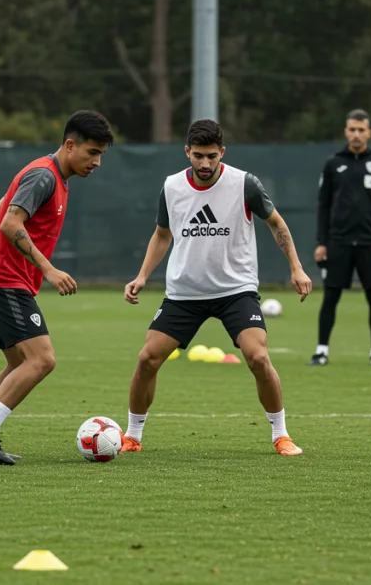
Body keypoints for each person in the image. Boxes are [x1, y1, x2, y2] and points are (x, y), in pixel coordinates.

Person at [121, 119, 313, 456]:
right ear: (187, 153)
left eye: (212, 156)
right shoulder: (171, 187)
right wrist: (142, 276)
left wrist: (296, 268)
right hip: (184, 294)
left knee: (257, 357)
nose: (205, 164)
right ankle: (132, 436)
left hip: (235, 291)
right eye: (198, 156)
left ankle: (281, 435)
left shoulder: (244, 184)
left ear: (222, 152)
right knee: (147, 359)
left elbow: (277, 224)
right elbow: (162, 234)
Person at [0, 110, 113, 465]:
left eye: (102, 154)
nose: (98, 162)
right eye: (92, 152)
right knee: (42, 359)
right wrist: (48, 270)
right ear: (70, 145)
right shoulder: (45, 175)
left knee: (18, 363)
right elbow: (8, 222)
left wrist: (15, 202)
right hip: (3, 280)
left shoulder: (48, 174)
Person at [309, 109, 371, 367]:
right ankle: (321, 350)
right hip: (339, 242)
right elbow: (323, 205)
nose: (356, 135)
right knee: (331, 296)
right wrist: (322, 241)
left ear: (369, 133)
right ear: (345, 131)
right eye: (352, 130)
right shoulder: (333, 164)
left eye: (361, 130)